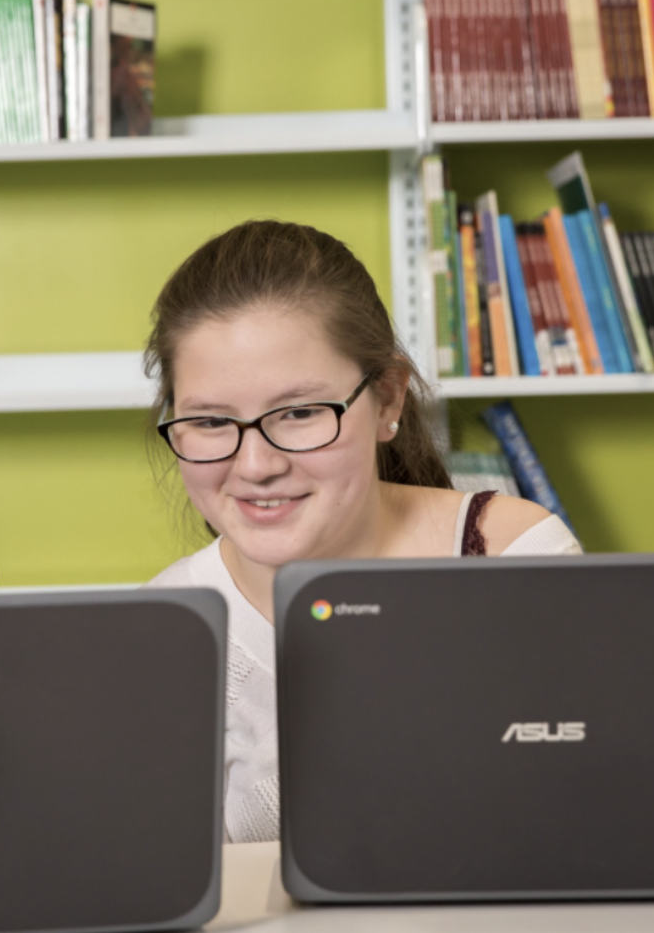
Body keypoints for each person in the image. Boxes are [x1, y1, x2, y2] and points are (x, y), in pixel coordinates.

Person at [144, 220, 582, 843]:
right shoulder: (160, 632)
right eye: (211, 422)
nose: (256, 466)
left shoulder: (517, 559)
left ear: (390, 398)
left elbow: (592, 820)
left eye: (298, 413)